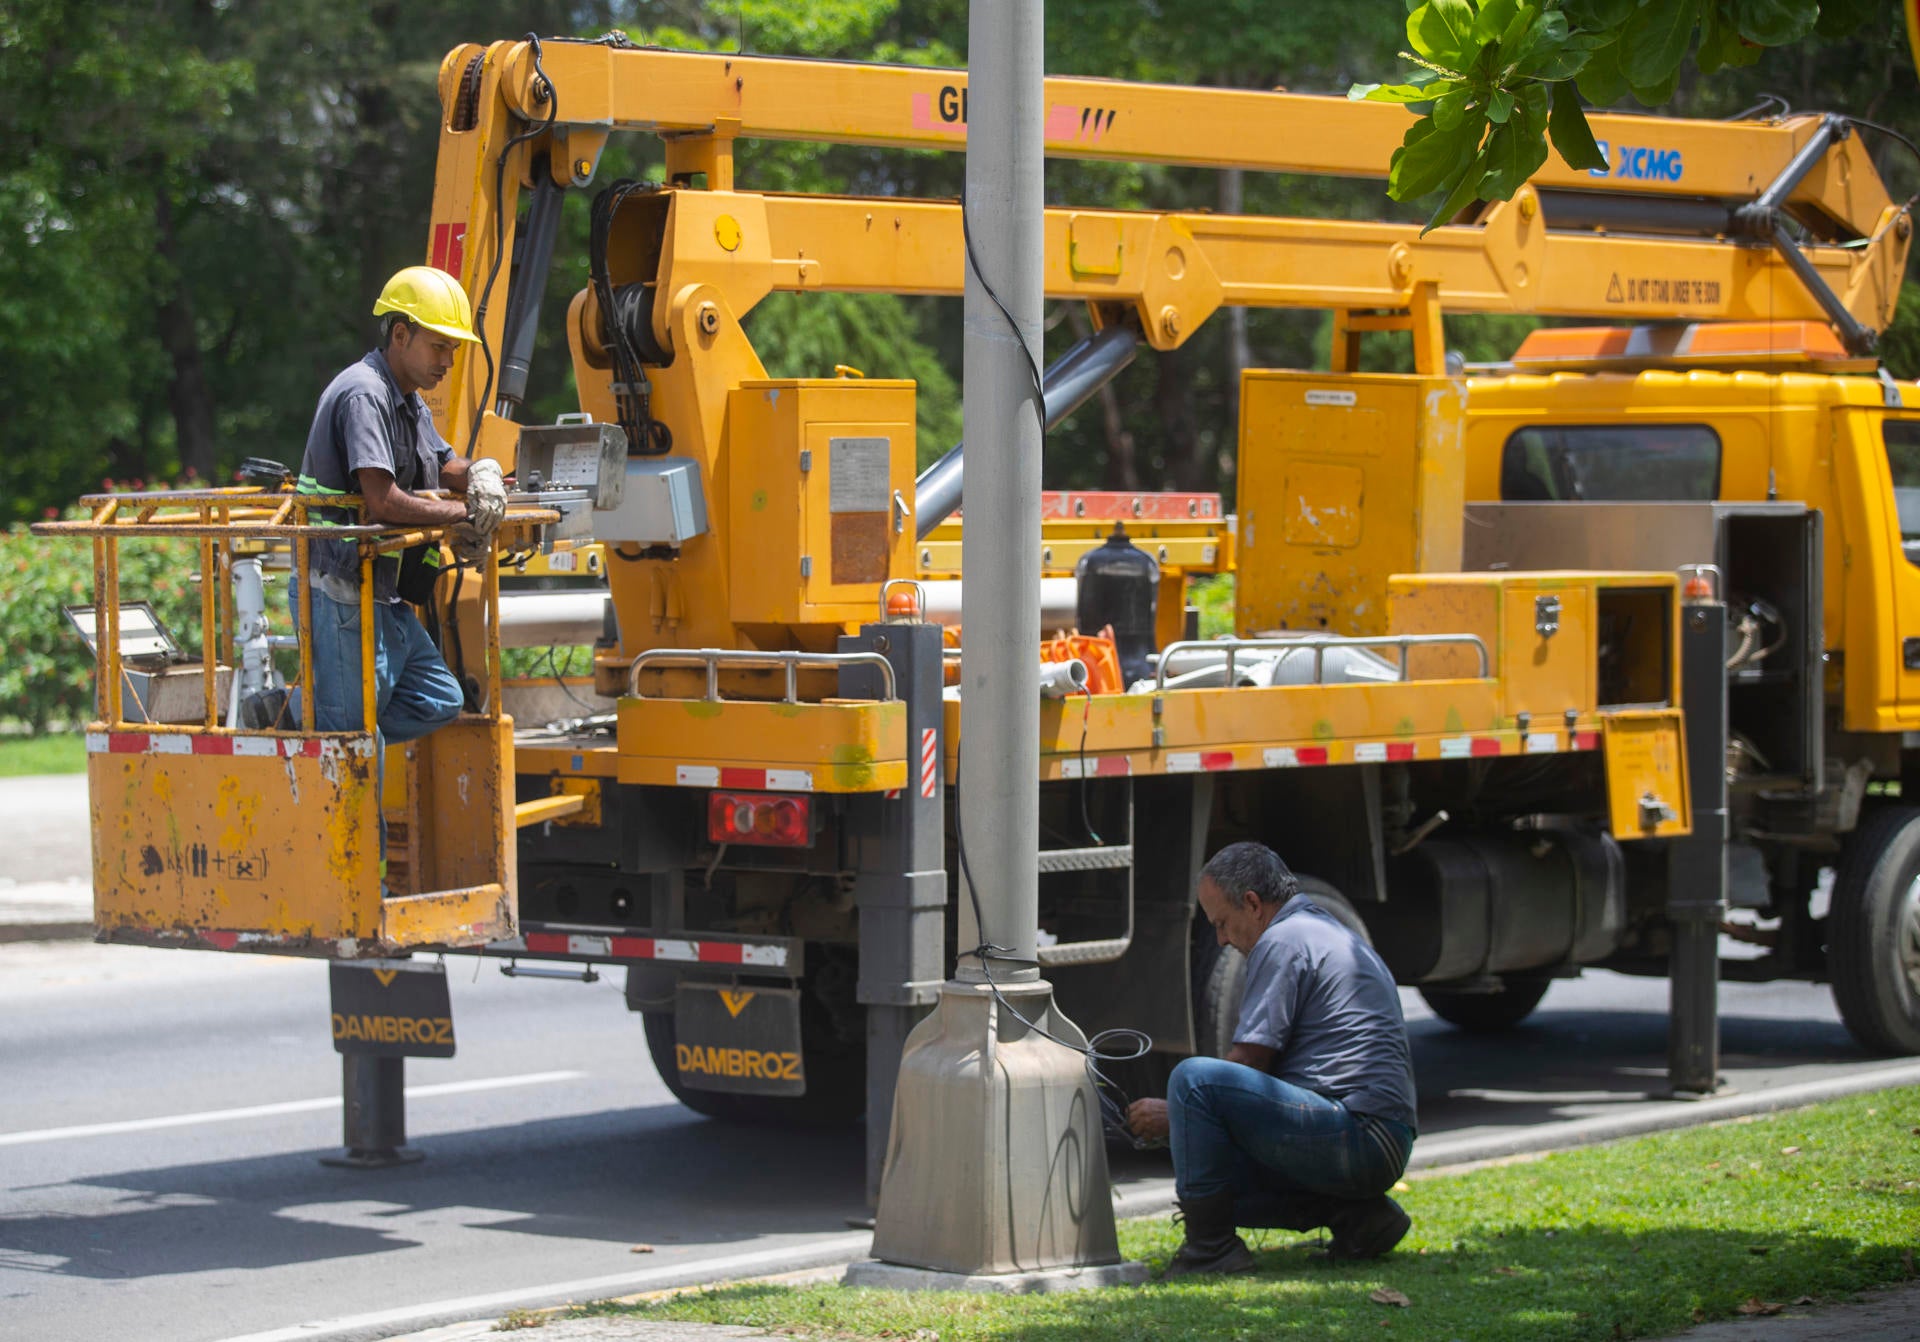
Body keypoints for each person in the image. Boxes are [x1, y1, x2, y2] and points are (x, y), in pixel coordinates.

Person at [1127, 841, 1418, 1277]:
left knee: (1193, 1080)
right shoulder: (1321, 928)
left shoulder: (1283, 938)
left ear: (1252, 904)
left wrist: (1179, 1115)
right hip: (1382, 1138)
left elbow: (1249, 1064)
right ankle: (1360, 1218)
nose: (1223, 939)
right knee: (1217, 1184)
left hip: (1358, 1132)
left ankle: (1210, 1250)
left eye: (1223, 924)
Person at [293, 264, 507, 745]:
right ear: (400, 334)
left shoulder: (406, 399)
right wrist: (466, 516)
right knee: (352, 742)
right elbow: (383, 500)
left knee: (439, 699)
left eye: (453, 350)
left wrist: (482, 474)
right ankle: (305, 724)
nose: (448, 362)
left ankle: (305, 719)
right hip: (341, 587)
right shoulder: (365, 394)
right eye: (439, 347)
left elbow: (443, 463)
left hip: (379, 587)